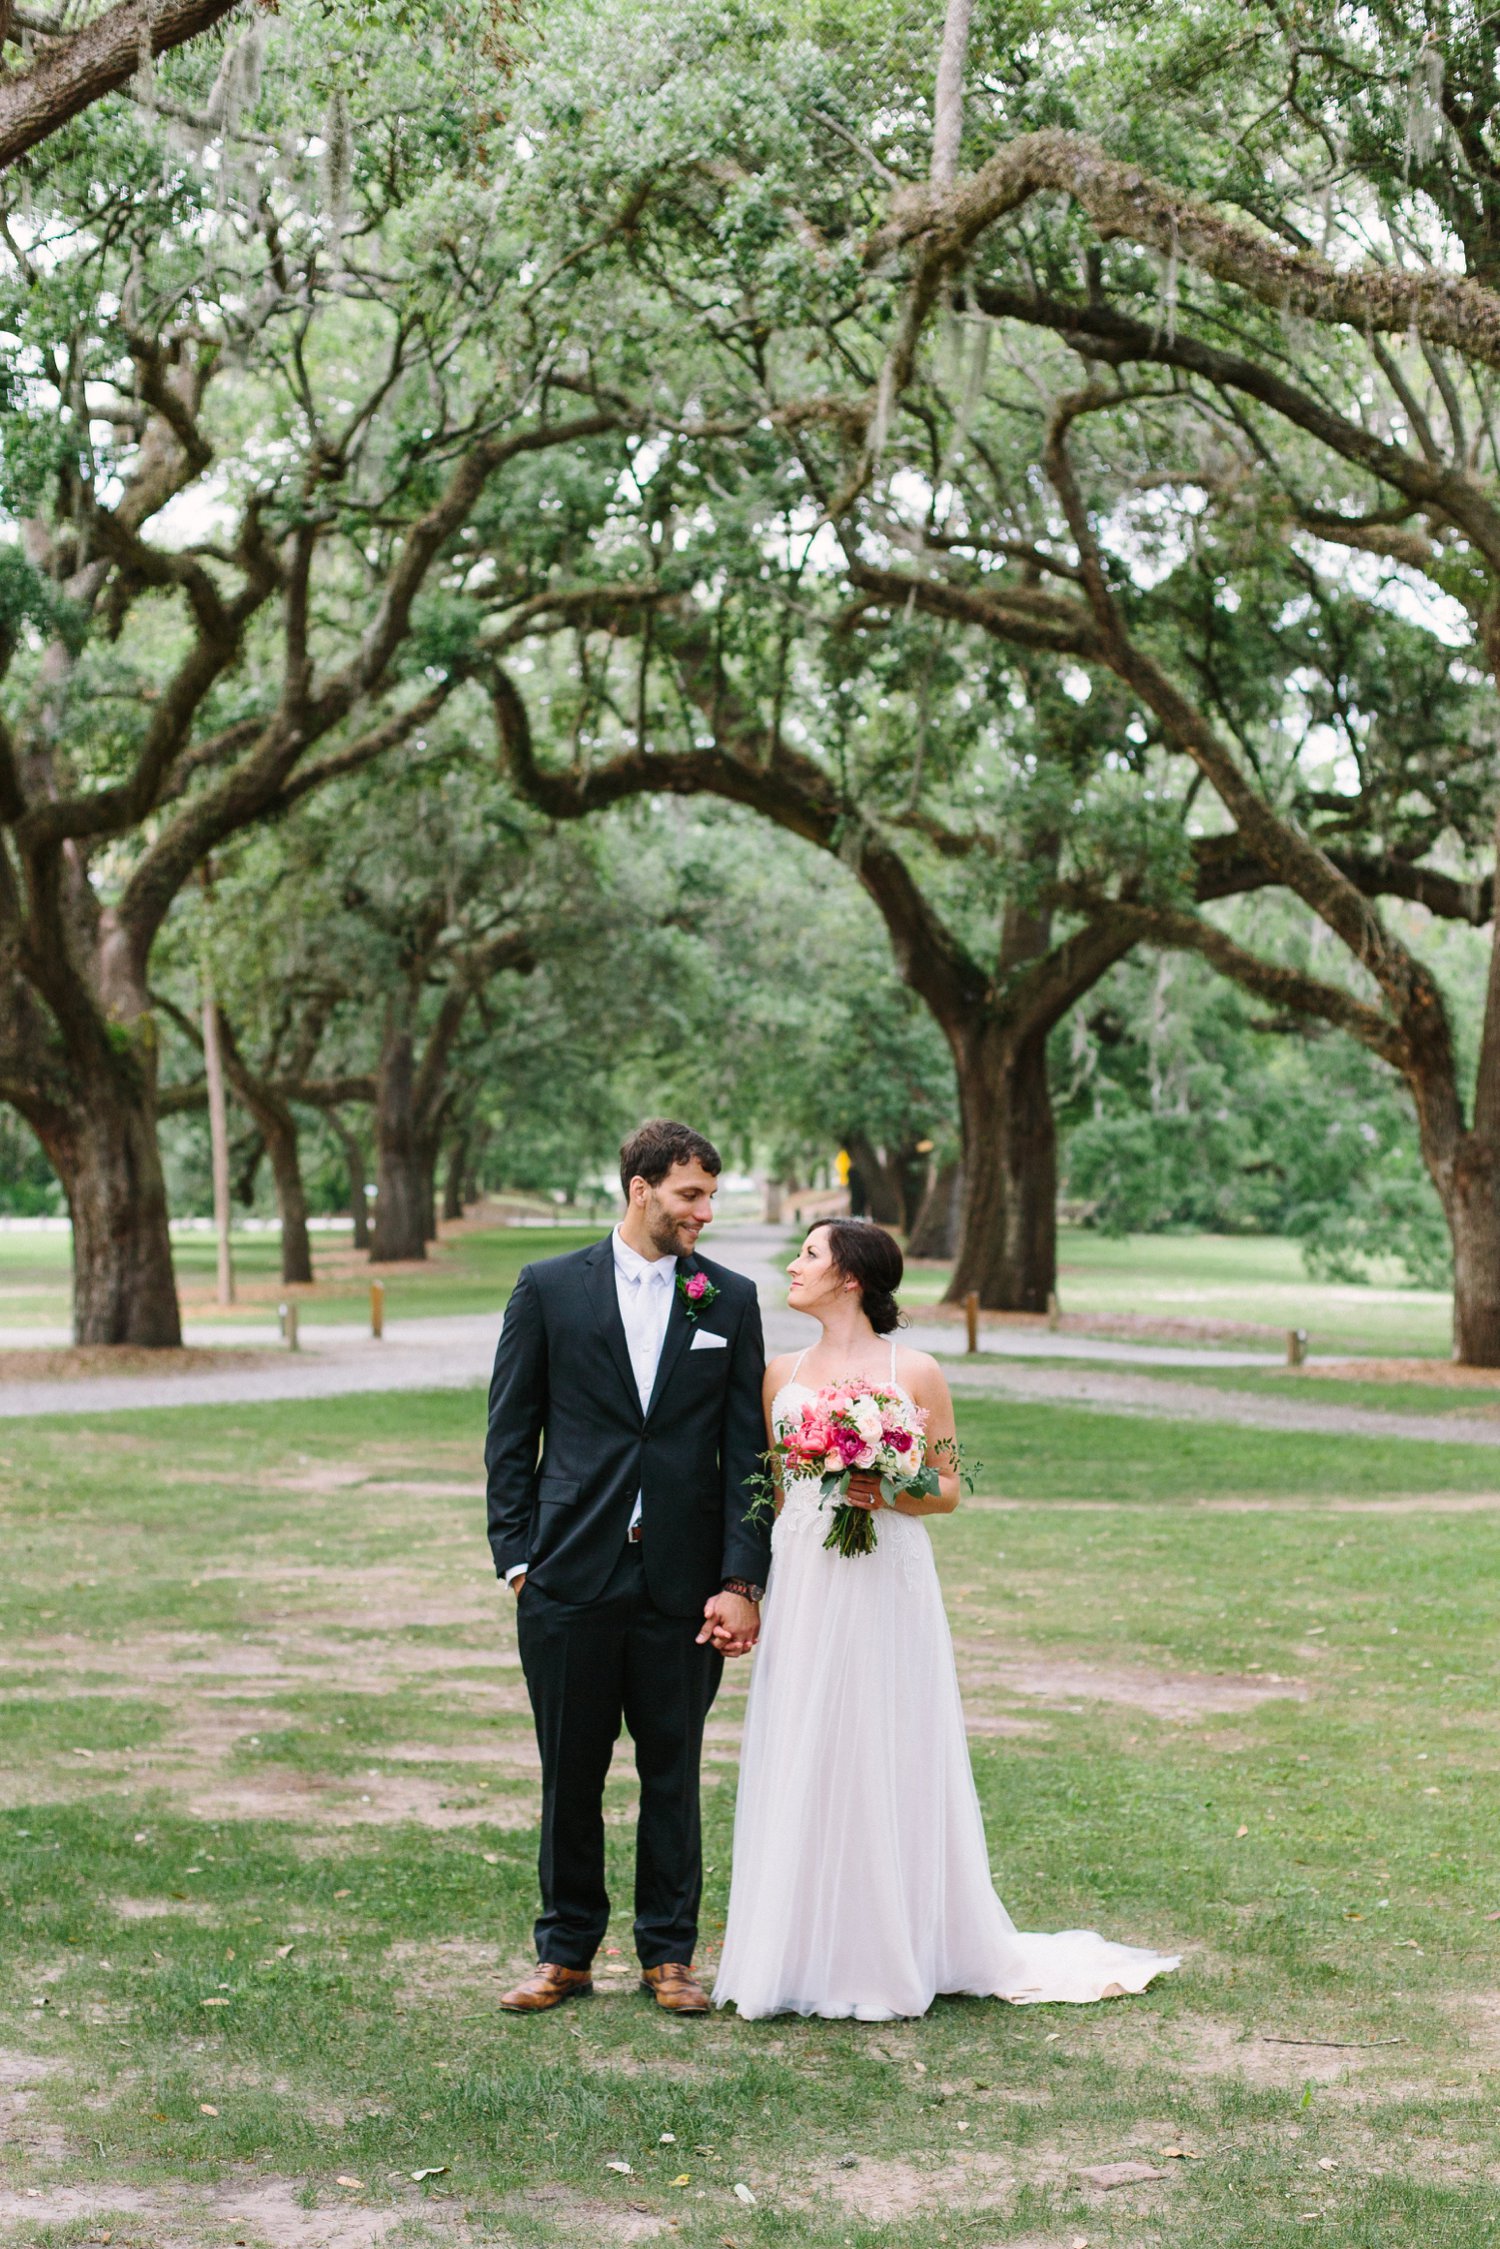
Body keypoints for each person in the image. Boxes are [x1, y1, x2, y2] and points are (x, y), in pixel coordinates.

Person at [713, 1217, 1179, 2021]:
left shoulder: (915, 1369)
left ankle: (897, 1942)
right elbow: (779, 1492)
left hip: (885, 1574)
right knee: (808, 1738)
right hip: (809, 1576)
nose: (794, 1264)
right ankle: (796, 1946)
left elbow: (947, 1489)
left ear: (850, 1275)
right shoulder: (779, 1372)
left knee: (887, 1737)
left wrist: (878, 1485)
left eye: (810, 1254)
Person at [486, 1120, 769, 2016]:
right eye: (691, 1194)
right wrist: (519, 1559)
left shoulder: (728, 1299)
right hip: (568, 1575)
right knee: (568, 1769)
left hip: (683, 1585)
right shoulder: (547, 1289)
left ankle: (668, 1954)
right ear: (641, 1187)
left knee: (674, 1770)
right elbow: (509, 1434)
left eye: (710, 1195)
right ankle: (564, 1951)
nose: (704, 1211)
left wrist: (739, 1578)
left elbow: (747, 1456)